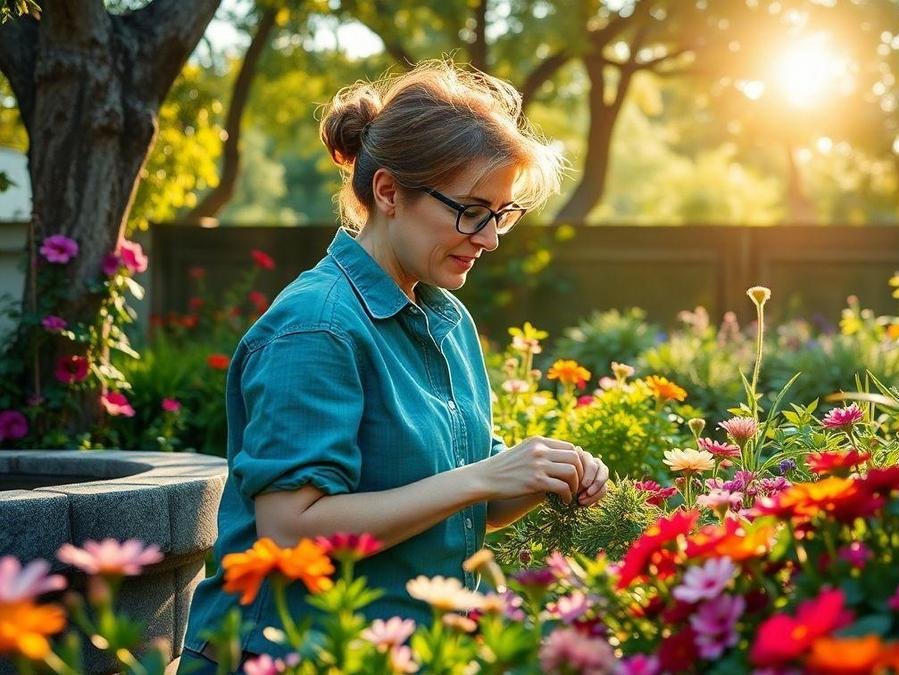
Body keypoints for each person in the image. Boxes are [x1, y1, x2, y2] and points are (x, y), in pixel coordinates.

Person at [179, 60, 608, 671]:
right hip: (290, 652)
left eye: (501, 214)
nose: (489, 239)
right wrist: (484, 478)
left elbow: (458, 506)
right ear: (387, 192)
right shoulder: (317, 326)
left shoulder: (446, 318)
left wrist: (540, 475)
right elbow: (289, 531)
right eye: (471, 210)